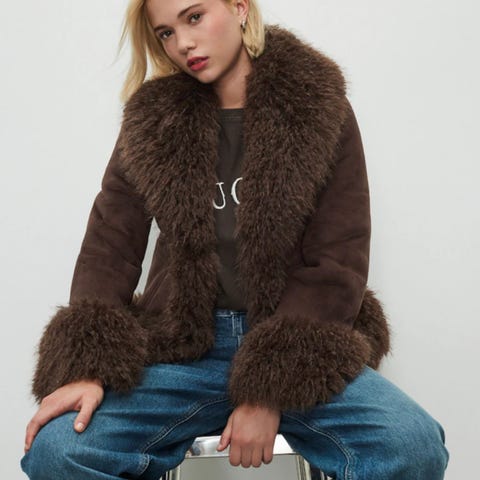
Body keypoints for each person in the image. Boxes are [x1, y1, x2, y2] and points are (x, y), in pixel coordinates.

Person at [20, 1, 449, 479]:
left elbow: (338, 256)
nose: (183, 43)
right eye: (165, 33)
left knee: (413, 445)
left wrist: (268, 390)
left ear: (240, 8)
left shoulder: (316, 105)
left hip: (297, 341)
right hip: (182, 346)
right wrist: (87, 367)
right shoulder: (153, 120)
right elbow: (110, 244)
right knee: (58, 451)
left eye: (194, 17)